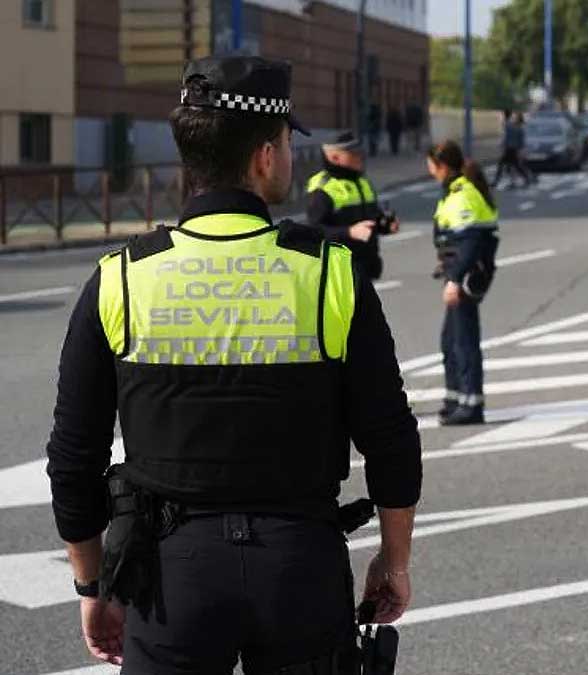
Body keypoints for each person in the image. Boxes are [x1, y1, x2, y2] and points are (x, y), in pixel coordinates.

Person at [44, 55, 422, 673]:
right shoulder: (329, 272)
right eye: (287, 143)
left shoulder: (121, 279)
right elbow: (390, 437)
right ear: (265, 155)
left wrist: (93, 588)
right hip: (301, 566)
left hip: (170, 578)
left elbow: (72, 456)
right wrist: (393, 560)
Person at [428, 140, 500, 426]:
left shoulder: (461, 195)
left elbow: (470, 242)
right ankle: (455, 398)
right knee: (451, 340)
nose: (430, 171)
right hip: (460, 273)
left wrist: (455, 280)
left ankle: (471, 405)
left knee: (464, 340)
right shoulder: (455, 192)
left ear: (441, 166)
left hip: (467, 277)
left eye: (431, 166)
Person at [306, 131, 398, 281]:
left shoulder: (362, 182)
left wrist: (385, 224)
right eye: (352, 153)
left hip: (366, 267)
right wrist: (349, 232)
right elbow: (314, 231)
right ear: (334, 157)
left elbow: (371, 219)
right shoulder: (323, 187)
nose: (360, 156)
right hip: (338, 272)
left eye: (360, 152)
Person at [492, 109, 531, 189]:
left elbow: (507, 133)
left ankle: (496, 182)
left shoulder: (510, 126)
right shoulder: (517, 127)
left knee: (503, 165)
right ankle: (526, 179)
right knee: (514, 165)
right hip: (512, 149)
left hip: (510, 149)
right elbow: (520, 141)